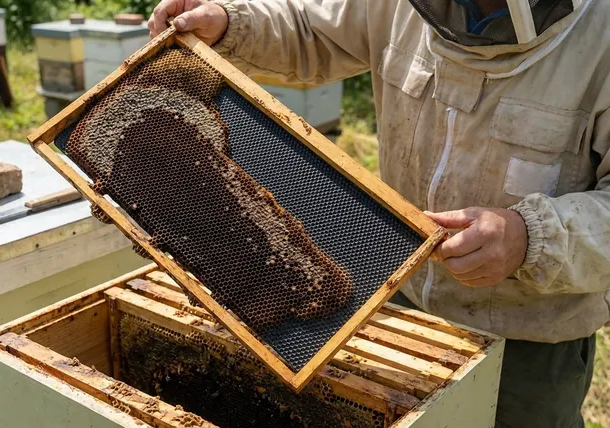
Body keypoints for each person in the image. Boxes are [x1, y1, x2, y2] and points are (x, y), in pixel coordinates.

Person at [148, 1, 609, 426]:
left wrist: (531, 237)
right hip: (396, 300)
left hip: (528, 342)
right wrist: (232, 24)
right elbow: (314, 28)